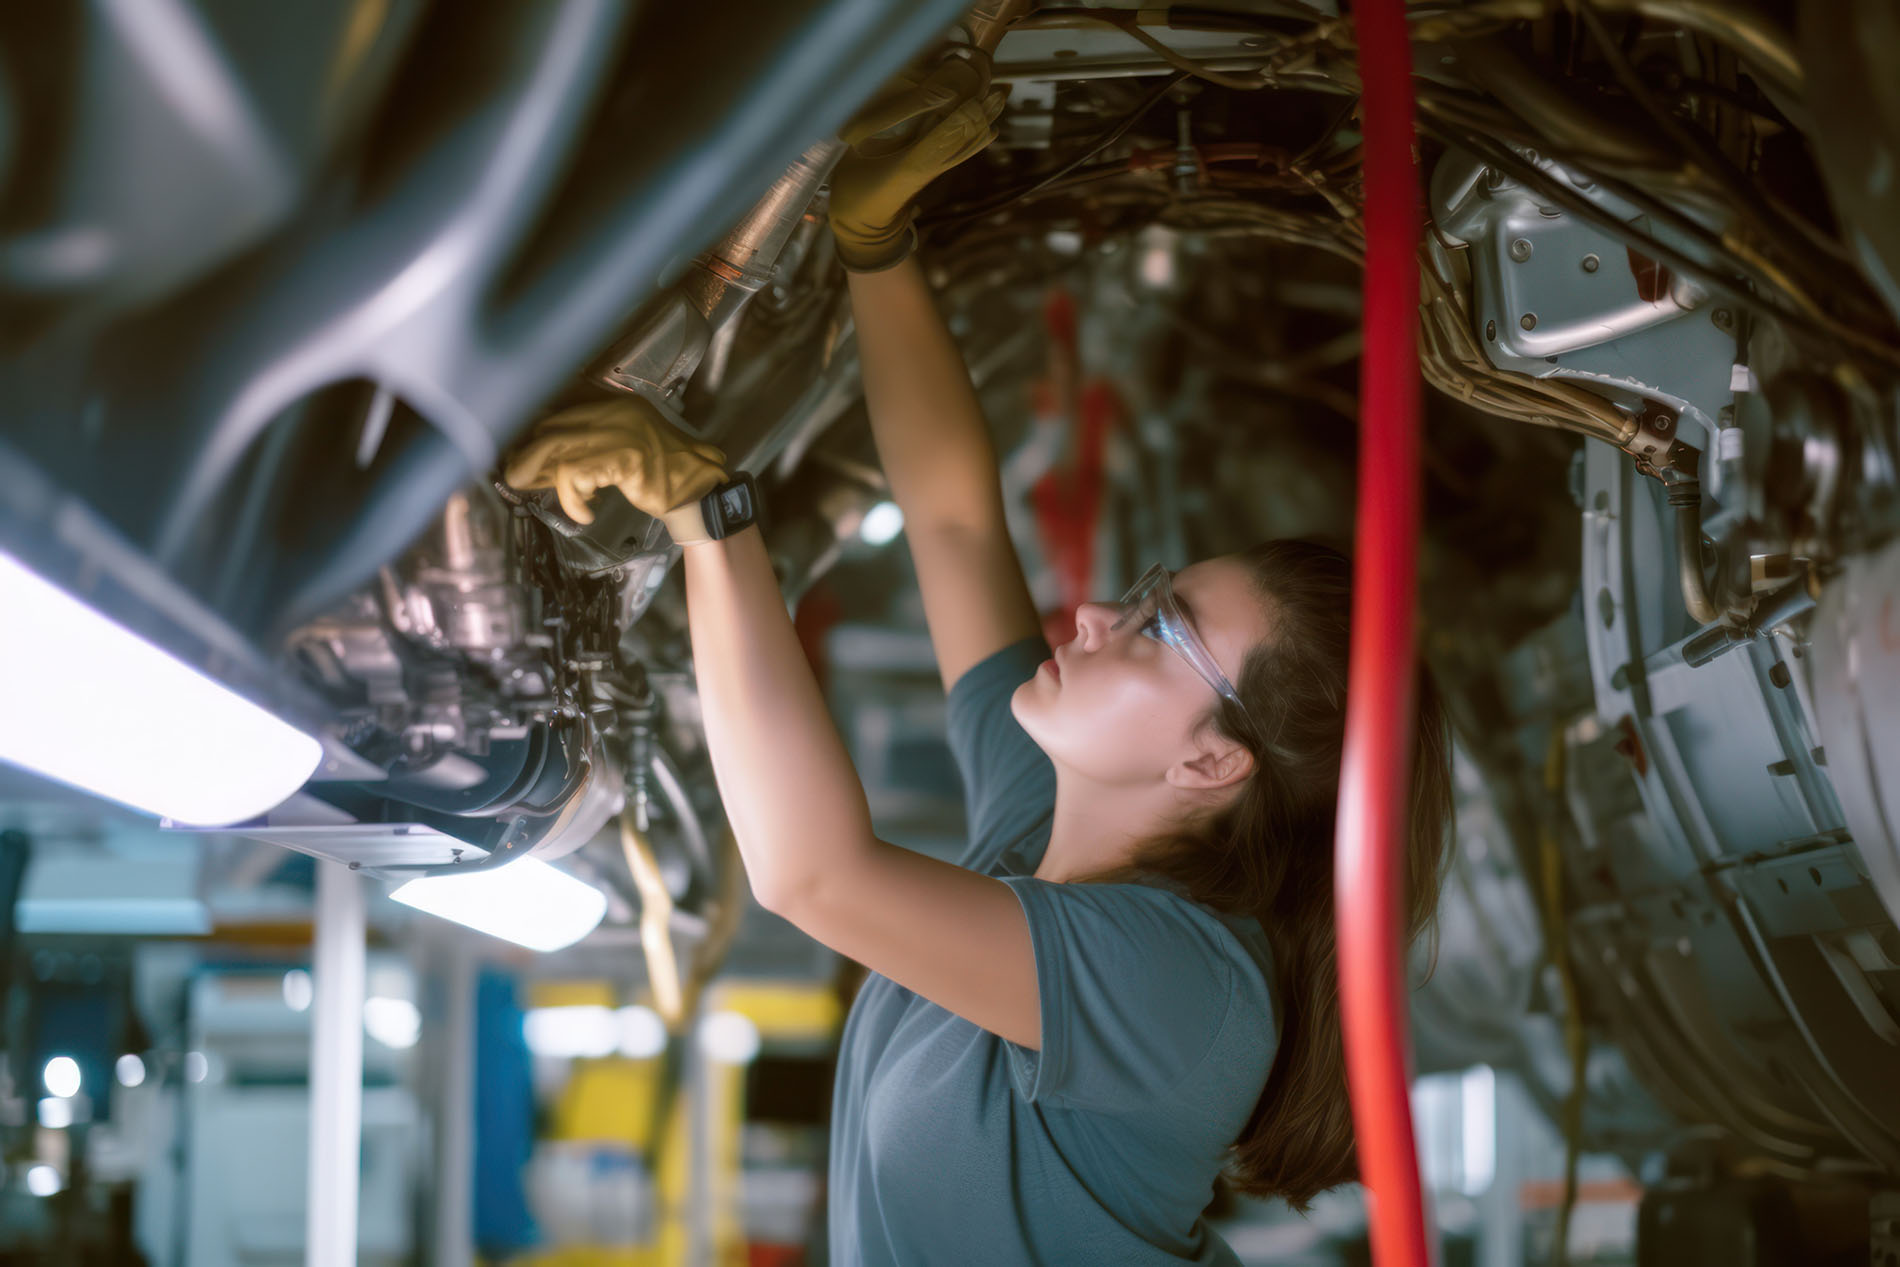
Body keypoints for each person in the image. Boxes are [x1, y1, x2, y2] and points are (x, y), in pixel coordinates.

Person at [504, 49, 1453, 1267]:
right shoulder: (1038, 835)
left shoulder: (1189, 990)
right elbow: (954, 519)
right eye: (1152, 592)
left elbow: (814, 878)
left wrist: (711, 514)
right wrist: (875, 246)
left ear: (1215, 762)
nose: (1100, 612)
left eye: (1161, 630)